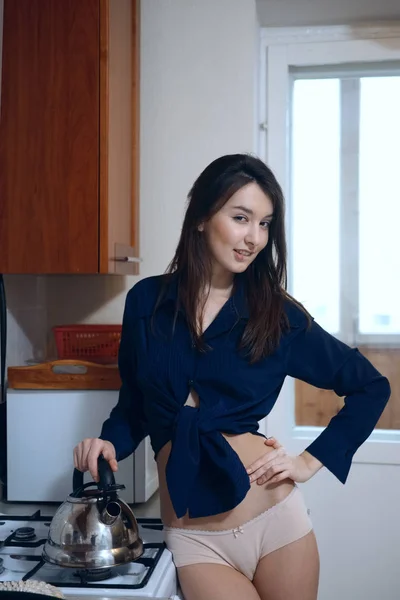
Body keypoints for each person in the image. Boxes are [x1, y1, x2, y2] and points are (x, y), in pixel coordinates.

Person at [74, 154, 390, 600]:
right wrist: (109, 441)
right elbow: (135, 404)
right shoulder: (147, 302)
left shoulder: (277, 315)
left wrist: (306, 462)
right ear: (202, 216)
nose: (254, 238)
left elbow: (371, 386)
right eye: (241, 218)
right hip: (195, 539)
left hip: (277, 523)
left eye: (265, 224)